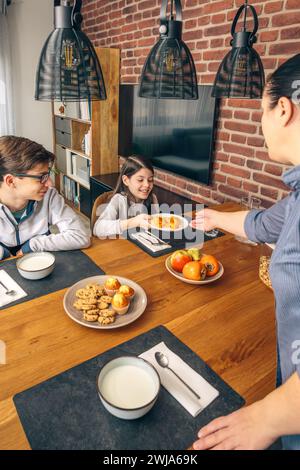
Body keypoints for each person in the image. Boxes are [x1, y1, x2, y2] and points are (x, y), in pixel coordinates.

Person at [192, 54, 300, 451]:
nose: (260, 125)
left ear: (283, 109)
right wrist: (213, 217)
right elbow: (261, 225)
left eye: (262, 112)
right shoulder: (297, 198)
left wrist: (266, 416)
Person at [0, 135, 90, 259]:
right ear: (10, 181)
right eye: (41, 177)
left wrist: (33, 245)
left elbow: (80, 236)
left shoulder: (49, 196)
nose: (50, 184)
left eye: (48, 175)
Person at [93, 155, 159, 238]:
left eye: (150, 180)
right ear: (126, 180)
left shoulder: (152, 198)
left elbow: (156, 229)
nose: (147, 185)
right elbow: (97, 229)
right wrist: (133, 222)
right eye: (140, 180)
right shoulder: (118, 200)